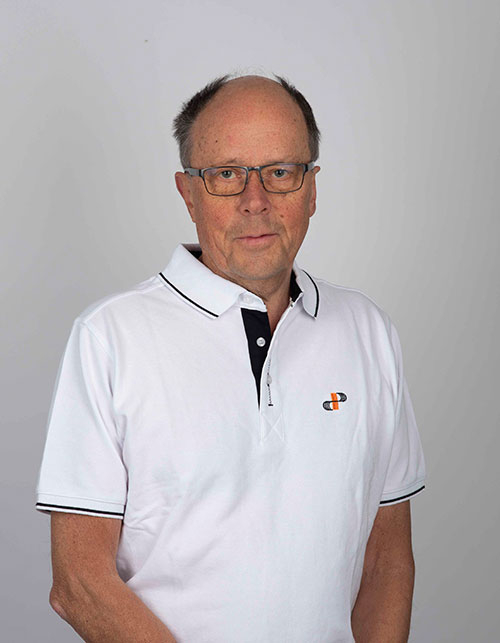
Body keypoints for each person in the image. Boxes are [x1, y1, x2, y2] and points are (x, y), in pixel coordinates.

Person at [35, 73, 426, 643]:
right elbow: (78, 583)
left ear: (312, 189)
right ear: (188, 192)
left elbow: (385, 560)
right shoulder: (110, 338)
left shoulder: (368, 332)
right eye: (225, 174)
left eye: (280, 172)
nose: (255, 200)